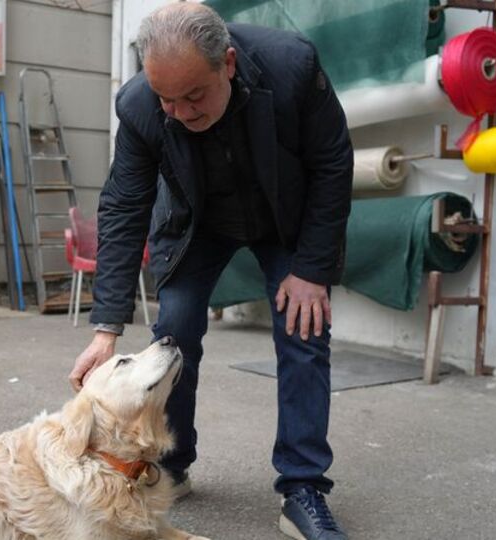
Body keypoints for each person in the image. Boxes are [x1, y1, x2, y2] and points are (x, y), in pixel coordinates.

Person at [68, 3, 353, 539]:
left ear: (226, 63)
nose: (177, 112)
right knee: (173, 332)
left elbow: (333, 163)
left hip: (281, 218)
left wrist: (311, 270)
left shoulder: (290, 67)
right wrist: (105, 329)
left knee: (304, 328)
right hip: (197, 222)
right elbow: (124, 206)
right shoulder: (139, 106)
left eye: (193, 96)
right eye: (166, 99)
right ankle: (172, 464)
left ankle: (302, 486)